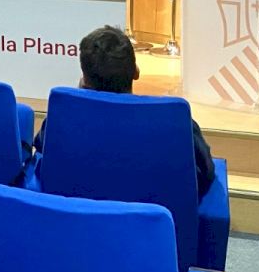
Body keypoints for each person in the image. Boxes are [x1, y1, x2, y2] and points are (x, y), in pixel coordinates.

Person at [35, 25, 215, 200]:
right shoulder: (174, 120)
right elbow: (206, 170)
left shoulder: (62, 115)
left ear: (84, 79)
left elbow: (42, 152)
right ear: (136, 72)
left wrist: (80, 97)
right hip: (158, 219)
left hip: (72, 218)